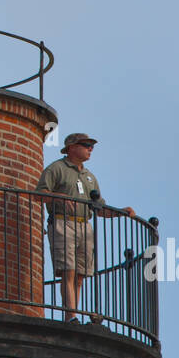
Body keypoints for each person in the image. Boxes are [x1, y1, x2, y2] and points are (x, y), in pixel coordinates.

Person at [36, 132, 135, 323]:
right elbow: (39, 195)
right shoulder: (57, 169)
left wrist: (120, 212)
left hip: (85, 226)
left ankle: (73, 313)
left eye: (91, 146)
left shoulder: (90, 177)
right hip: (62, 222)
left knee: (80, 274)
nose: (90, 148)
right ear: (72, 147)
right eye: (86, 144)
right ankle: (70, 315)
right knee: (68, 269)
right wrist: (60, 197)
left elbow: (98, 208)